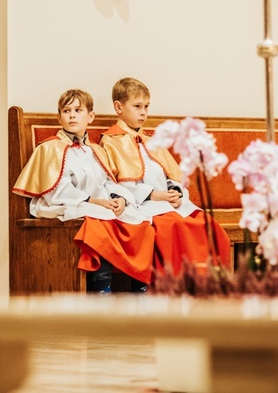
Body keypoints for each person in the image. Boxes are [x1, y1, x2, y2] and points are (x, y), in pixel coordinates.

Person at [12, 89, 154, 294]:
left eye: (78, 110)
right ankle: (102, 287)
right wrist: (94, 202)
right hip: (66, 204)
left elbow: (107, 182)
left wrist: (119, 198)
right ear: (58, 117)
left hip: (99, 204)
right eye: (66, 110)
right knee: (100, 221)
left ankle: (139, 285)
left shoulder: (95, 149)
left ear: (90, 116)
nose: (71, 115)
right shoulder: (50, 148)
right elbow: (57, 190)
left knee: (141, 221)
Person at [99, 77, 232, 275]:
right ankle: (178, 289)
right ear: (118, 107)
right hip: (143, 206)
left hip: (169, 204)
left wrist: (174, 190)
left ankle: (212, 290)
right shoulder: (110, 142)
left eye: (146, 106)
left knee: (210, 226)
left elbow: (170, 175)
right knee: (176, 226)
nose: (143, 112)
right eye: (137, 106)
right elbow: (112, 185)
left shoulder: (151, 140)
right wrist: (154, 195)